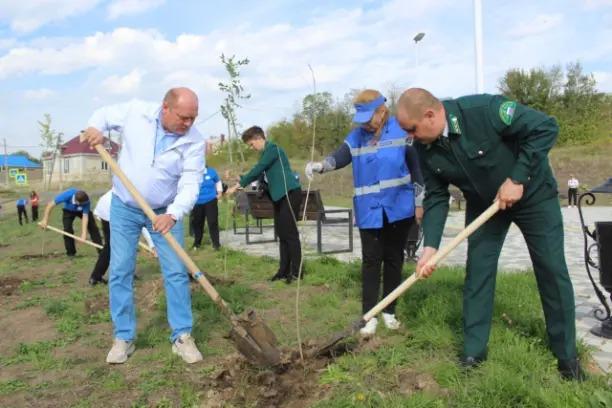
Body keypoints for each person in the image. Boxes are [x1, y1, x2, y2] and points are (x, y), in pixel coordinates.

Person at [396, 87, 585, 381]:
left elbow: (546, 127)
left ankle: (567, 357)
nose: (410, 136)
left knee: (551, 269)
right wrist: (431, 246)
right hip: (485, 205)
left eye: (412, 129)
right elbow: (435, 196)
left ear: (430, 115)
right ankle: (474, 351)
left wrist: (517, 178)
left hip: (533, 196)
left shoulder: (484, 111)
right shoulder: (423, 147)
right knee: (478, 272)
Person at [81, 87, 206, 365]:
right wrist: (94, 128)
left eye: (193, 118)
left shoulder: (194, 141)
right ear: (165, 108)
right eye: (184, 117)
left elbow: (191, 182)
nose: (189, 124)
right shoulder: (137, 111)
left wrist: (173, 214)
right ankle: (123, 337)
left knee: (175, 272)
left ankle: (182, 336)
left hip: (165, 210)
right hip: (124, 207)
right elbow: (102, 114)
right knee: (121, 270)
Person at [305, 89, 424, 337]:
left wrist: (420, 203)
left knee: (394, 260)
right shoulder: (357, 136)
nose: (366, 125)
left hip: (398, 208)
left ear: (382, 112)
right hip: (370, 210)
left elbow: (417, 169)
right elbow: (341, 156)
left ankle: (389, 312)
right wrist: (321, 166)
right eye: (362, 120)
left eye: (370, 118)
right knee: (371, 261)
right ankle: (369, 315)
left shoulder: (402, 132)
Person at [227, 126, 302, 284]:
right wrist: (239, 179)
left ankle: (296, 272)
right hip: (279, 196)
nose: (251, 148)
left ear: (258, 138)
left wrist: (240, 185)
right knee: (282, 234)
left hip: (289, 193)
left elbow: (259, 168)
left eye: (251, 144)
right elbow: (258, 173)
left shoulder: (273, 149)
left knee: (290, 235)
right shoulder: (265, 154)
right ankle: (283, 271)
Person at [89, 190, 157, 286]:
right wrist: (152, 245)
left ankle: (96, 277)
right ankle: (100, 276)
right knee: (120, 245)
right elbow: (143, 225)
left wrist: (152, 244)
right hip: (110, 209)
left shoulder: (140, 190)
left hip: (105, 208)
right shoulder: (140, 197)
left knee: (114, 245)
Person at [40, 188, 102, 256]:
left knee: (93, 228)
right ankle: (71, 253)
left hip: (82, 212)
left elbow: (85, 217)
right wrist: (45, 219)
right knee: (67, 229)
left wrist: (83, 234)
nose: (85, 204)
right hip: (68, 210)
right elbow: (50, 205)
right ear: (77, 202)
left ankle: (101, 251)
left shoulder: (86, 201)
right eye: (83, 204)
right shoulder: (67, 195)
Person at [191, 166, 223, 251]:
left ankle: (216, 245)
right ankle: (197, 244)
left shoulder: (211, 172)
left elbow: (218, 181)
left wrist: (219, 193)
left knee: (212, 222)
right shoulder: (192, 173)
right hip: (197, 201)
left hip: (211, 200)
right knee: (197, 223)